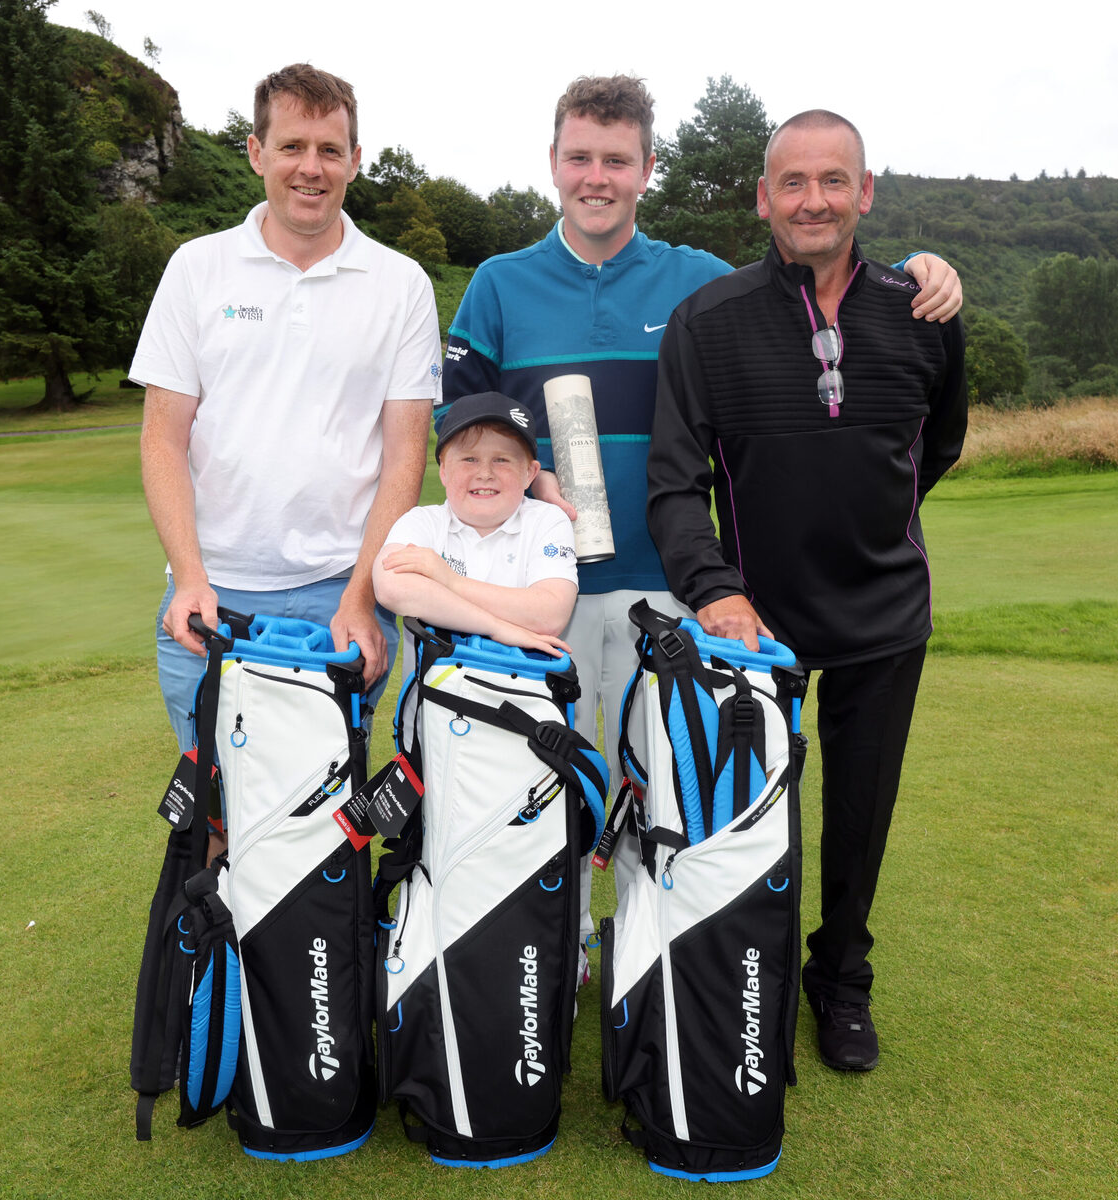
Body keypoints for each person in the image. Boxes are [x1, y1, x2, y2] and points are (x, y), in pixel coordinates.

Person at [441, 74, 963, 949]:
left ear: (648, 168)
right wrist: (529, 482)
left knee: (668, 794)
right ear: (553, 164)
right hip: (537, 590)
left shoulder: (698, 283)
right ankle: (552, 959)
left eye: (617, 159)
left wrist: (921, 269)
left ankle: (662, 958)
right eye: (580, 157)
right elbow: (458, 431)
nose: (596, 176)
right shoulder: (497, 283)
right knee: (546, 788)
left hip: (672, 591)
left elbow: (813, 300)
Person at [646, 109, 968, 1072]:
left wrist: (872, 530)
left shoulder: (921, 310)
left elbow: (936, 446)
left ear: (864, 192)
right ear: (764, 198)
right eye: (793, 183)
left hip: (883, 618)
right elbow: (671, 482)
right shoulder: (710, 320)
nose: (812, 200)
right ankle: (753, 972)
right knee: (749, 820)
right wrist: (713, 590)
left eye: (833, 181)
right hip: (753, 629)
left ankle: (842, 982)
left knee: (860, 818)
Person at [132, 64, 441, 752]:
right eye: (292, 146)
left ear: (355, 161)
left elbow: (404, 458)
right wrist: (188, 577)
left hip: (339, 596)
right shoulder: (196, 268)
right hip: (212, 595)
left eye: (330, 150)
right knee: (212, 817)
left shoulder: (402, 284)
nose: (311, 168)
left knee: (323, 823)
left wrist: (361, 599)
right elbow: (162, 440)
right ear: (256, 152)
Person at [373, 391, 577, 657]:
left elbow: (549, 613)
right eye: (470, 459)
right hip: (435, 696)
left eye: (501, 460)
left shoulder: (547, 520)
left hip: (522, 695)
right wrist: (496, 627)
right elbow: (391, 587)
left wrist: (449, 581)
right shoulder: (422, 521)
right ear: (443, 470)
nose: (485, 473)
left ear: (530, 473)